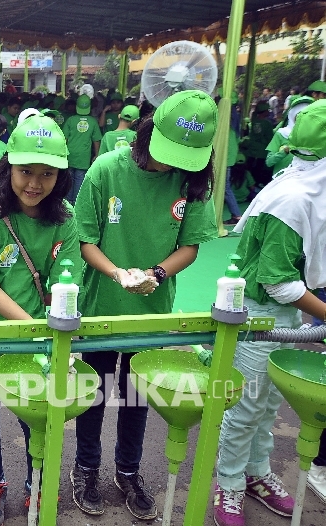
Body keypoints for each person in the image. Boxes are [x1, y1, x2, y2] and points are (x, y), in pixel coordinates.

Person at [71, 90, 218, 521]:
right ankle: (86, 469)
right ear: (147, 132)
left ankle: (129, 470)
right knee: (93, 394)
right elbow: (86, 241)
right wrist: (117, 273)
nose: (171, 165)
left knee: (136, 395)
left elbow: (189, 246)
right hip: (102, 305)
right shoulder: (106, 170)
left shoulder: (192, 182)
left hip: (153, 309)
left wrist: (156, 273)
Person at [0, 114, 82, 526]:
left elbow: (68, 279)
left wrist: (49, 334)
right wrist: (38, 328)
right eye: (26, 171)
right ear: (7, 165)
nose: (34, 183)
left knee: (35, 418)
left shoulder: (64, 215)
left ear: (60, 176)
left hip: (35, 345)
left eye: (47, 174)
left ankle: (36, 482)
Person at [214, 100, 326, 526]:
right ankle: (229, 486)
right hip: (258, 314)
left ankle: (257, 474)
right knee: (246, 407)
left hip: (283, 316)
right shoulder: (295, 200)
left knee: (267, 406)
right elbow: (278, 282)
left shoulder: (301, 186)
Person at [61, 95, 102, 203]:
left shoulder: (70, 120)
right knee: (79, 180)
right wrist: (97, 154)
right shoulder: (93, 122)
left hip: (69, 155)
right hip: (83, 157)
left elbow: (64, 138)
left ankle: (67, 204)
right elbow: (96, 140)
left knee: (68, 180)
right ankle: (76, 205)